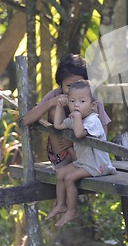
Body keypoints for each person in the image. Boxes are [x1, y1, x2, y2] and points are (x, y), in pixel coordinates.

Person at [20, 54, 111, 169]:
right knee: (54, 111)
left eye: (79, 84)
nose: (74, 90)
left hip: (87, 152)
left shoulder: (93, 99)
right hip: (61, 152)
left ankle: (78, 160)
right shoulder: (56, 94)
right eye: (69, 86)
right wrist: (51, 102)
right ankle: (65, 162)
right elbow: (25, 121)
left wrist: (76, 143)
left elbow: (103, 131)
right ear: (60, 85)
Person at [47, 80, 116, 227]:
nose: (76, 105)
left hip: (98, 165)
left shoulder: (92, 121)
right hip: (84, 162)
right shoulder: (76, 118)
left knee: (70, 179)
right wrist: (59, 106)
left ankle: (72, 210)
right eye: (72, 101)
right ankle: (61, 204)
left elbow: (79, 134)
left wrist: (76, 118)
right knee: (60, 173)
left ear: (93, 105)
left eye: (82, 101)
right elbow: (58, 125)